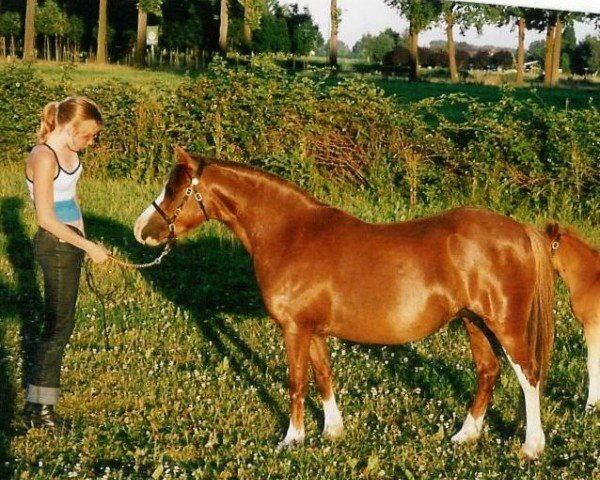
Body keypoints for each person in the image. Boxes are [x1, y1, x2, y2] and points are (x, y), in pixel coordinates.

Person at [24, 97, 110, 429]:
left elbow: (72, 198)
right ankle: (40, 411)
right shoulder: (43, 157)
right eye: (88, 135)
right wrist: (85, 245)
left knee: (62, 324)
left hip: (71, 243)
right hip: (55, 246)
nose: (92, 142)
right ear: (70, 127)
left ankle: (38, 405)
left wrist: (86, 241)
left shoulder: (71, 153)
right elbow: (46, 218)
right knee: (58, 328)